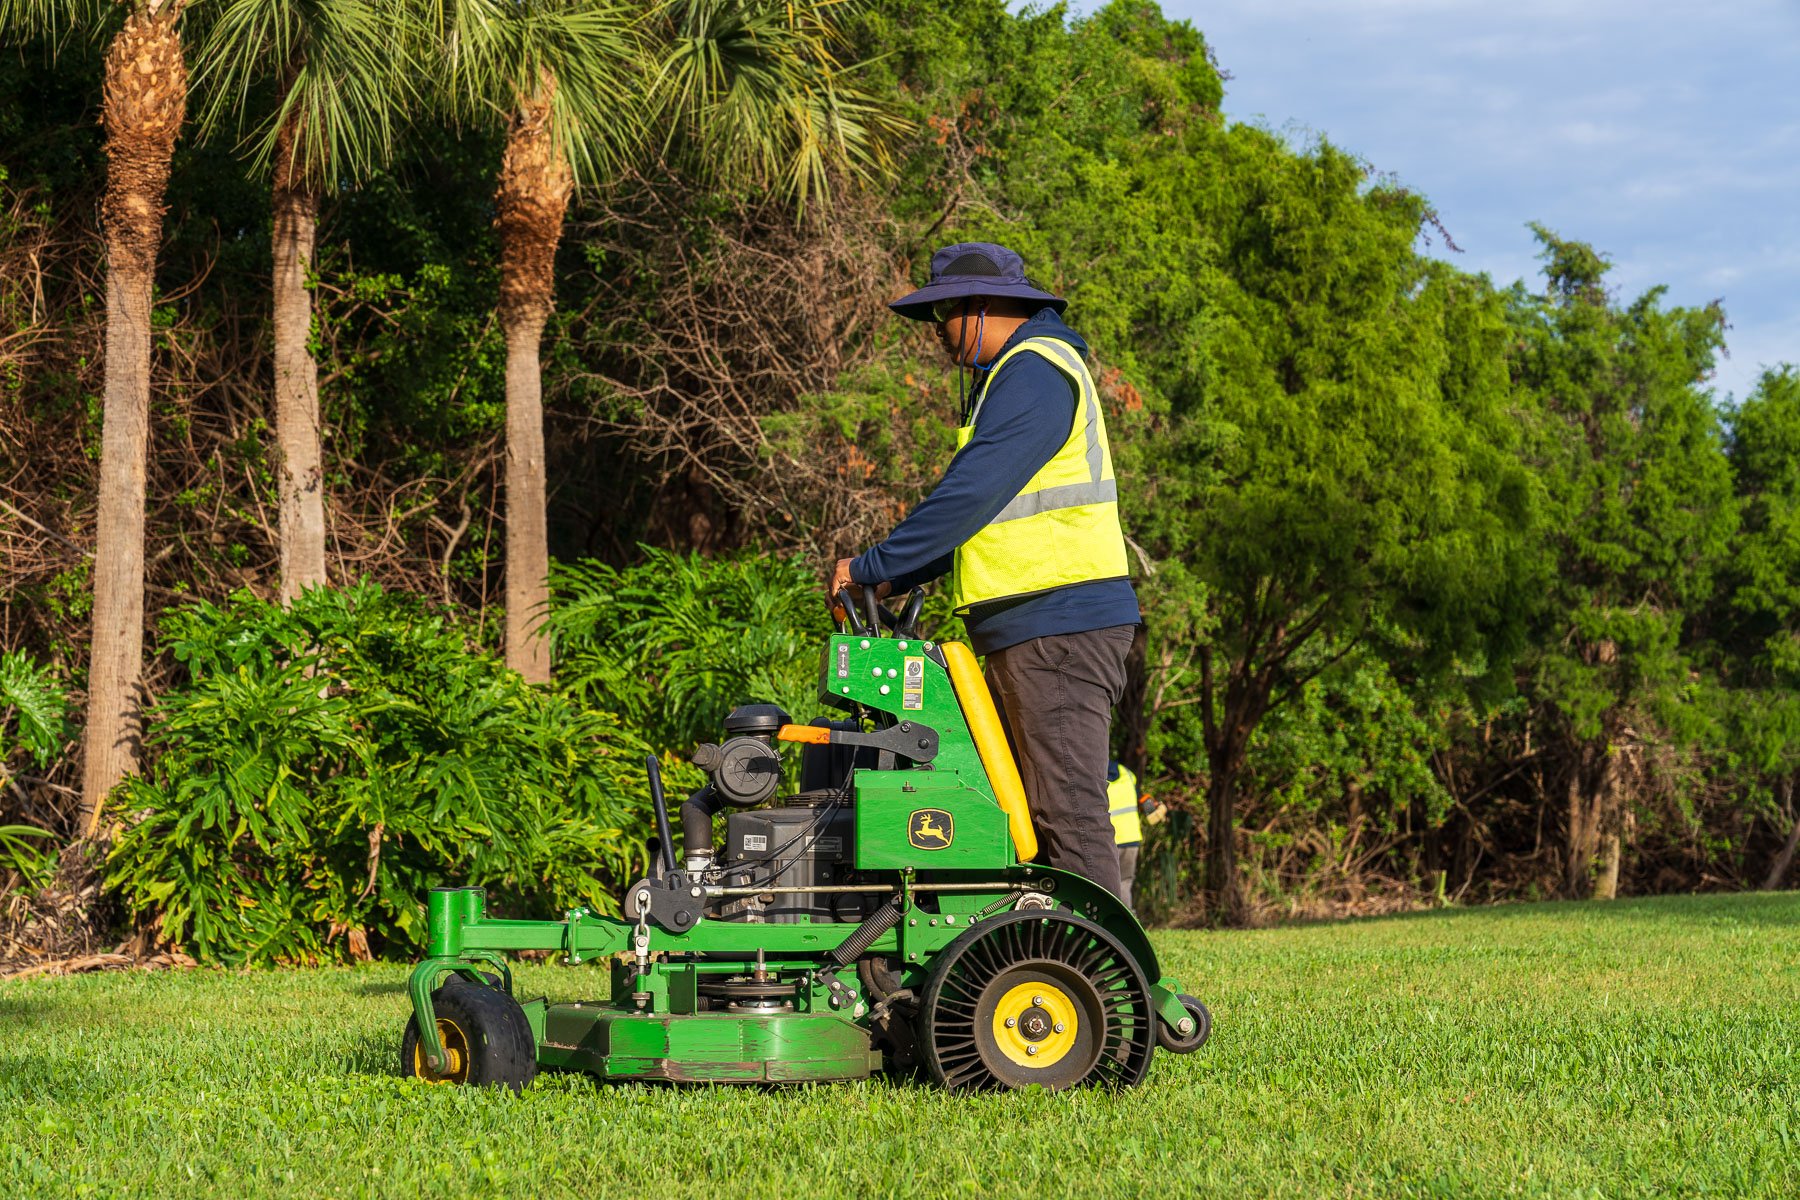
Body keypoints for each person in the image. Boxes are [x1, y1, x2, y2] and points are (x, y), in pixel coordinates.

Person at [827, 242, 1138, 898]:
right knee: (1026, 817)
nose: (938, 333)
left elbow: (968, 495)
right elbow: (980, 519)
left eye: (943, 315)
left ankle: (1109, 992)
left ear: (980, 306)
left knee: (1068, 813)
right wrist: (889, 577)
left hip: (1057, 628)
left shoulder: (1033, 370)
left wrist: (872, 566)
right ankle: (1050, 968)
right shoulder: (1017, 375)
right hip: (1035, 626)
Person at [1107, 759, 1165, 913]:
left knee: (1103, 883)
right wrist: (1154, 808)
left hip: (1107, 839)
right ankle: (1128, 920)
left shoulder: (1092, 774)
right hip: (1130, 838)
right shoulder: (1127, 774)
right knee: (1125, 881)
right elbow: (1140, 797)